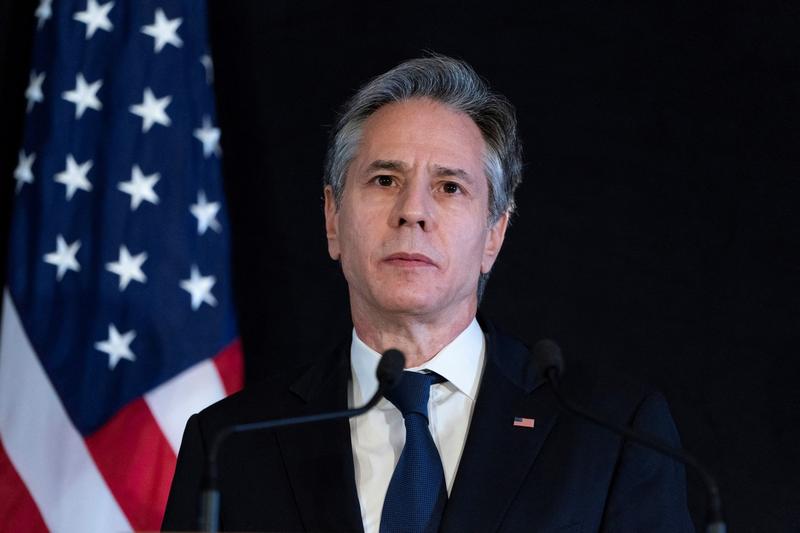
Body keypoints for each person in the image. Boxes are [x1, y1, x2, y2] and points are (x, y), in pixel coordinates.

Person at [162, 55, 694, 532]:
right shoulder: (232, 442)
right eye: (385, 180)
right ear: (332, 218)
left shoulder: (612, 431)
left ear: (493, 234)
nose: (413, 211)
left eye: (449, 187)